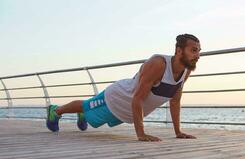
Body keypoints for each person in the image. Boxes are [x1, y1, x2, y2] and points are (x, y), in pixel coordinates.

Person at [46, 33, 201, 142]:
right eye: (193, 50)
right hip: (117, 97)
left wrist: (178, 132)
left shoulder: (185, 71)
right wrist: (141, 134)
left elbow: (175, 101)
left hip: (127, 112)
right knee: (87, 105)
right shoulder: (159, 64)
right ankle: (56, 110)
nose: (198, 55)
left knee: (95, 119)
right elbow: (138, 98)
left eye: (199, 51)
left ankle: (83, 114)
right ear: (179, 50)